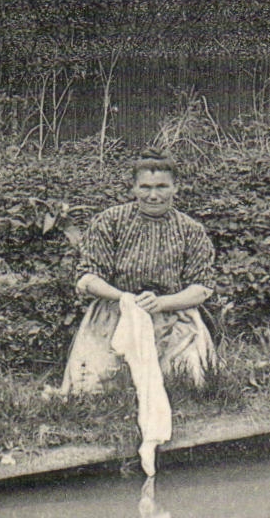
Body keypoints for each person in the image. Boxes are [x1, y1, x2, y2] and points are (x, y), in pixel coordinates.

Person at [59, 150, 218, 393]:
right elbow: (88, 277)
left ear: (176, 188)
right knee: (93, 386)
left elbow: (201, 288)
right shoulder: (110, 221)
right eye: (145, 187)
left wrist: (162, 303)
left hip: (174, 316)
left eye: (162, 186)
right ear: (133, 188)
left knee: (186, 382)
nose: (153, 195)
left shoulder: (191, 230)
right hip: (115, 314)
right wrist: (124, 298)